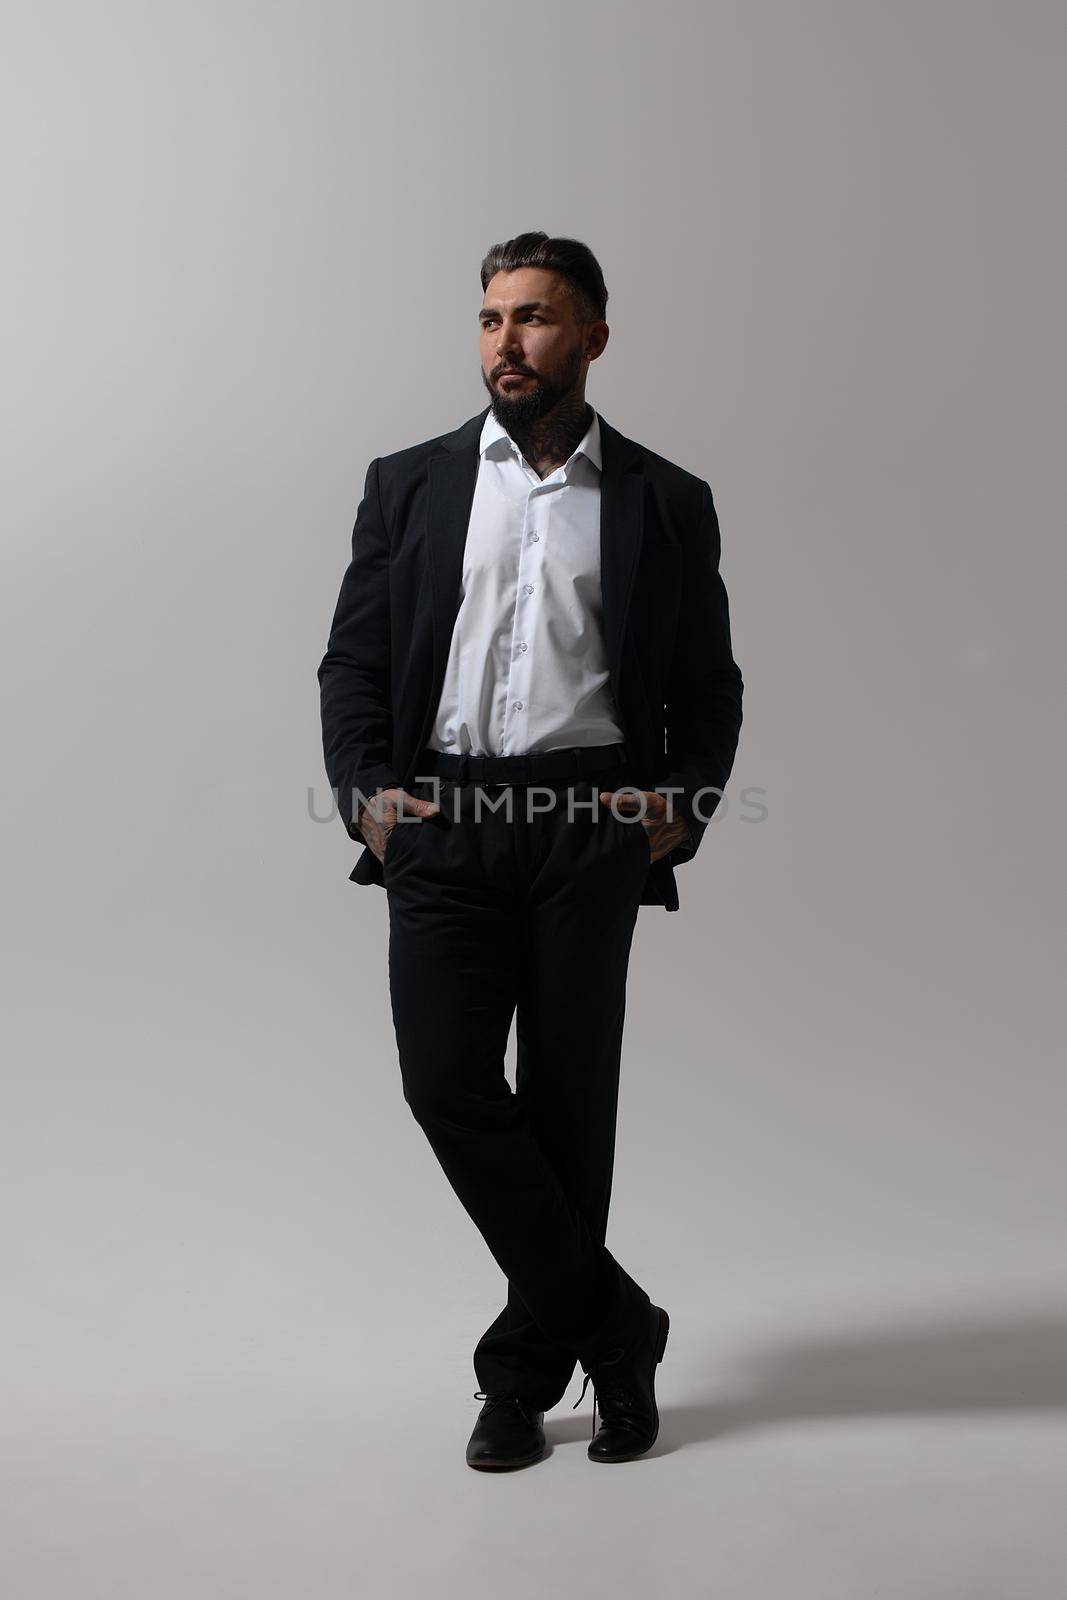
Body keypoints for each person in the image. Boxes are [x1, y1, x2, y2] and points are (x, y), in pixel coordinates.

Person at [318, 231, 743, 1469]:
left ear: (594, 337)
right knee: (444, 1080)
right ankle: (619, 1328)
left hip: (585, 826)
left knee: (567, 1107)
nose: (509, 341)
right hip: (440, 821)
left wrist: (682, 799)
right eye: (494, 317)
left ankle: (519, 1377)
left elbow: (708, 683)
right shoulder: (408, 482)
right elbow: (352, 655)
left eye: (538, 318)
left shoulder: (664, 499)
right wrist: (366, 795)